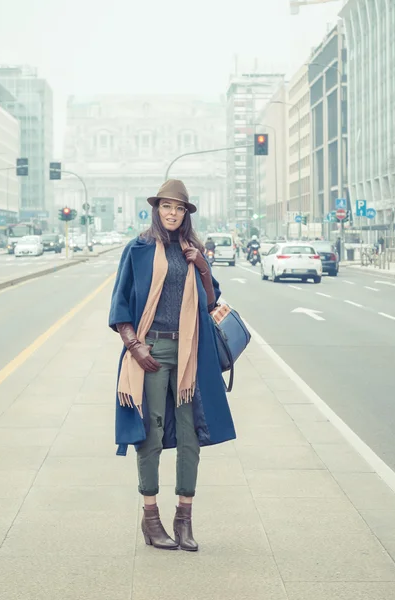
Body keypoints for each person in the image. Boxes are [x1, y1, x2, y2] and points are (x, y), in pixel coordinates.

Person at [109, 179, 236, 552]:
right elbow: (120, 306)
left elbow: (211, 301)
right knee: (149, 433)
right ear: (156, 209)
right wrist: (135, 347)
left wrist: (202, 266)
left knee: (190, 435)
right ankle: (151, 519)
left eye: (179, 208)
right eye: (167, 206)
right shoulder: (139, 249)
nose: (172, 213)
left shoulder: (192, 250)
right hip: (150, 352)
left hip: (190, 353)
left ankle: (184, 519)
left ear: (186, 214)